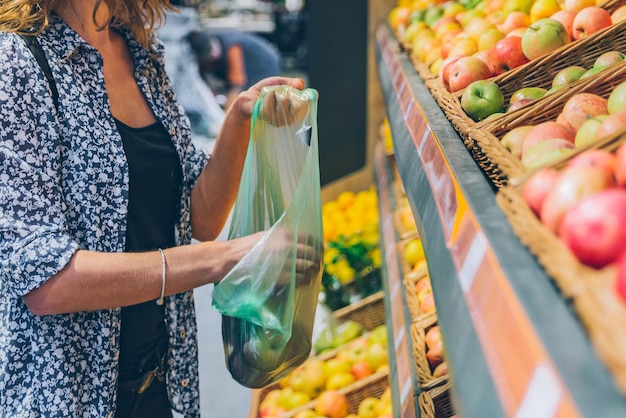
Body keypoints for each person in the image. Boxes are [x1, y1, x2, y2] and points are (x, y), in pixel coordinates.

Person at [0, 1, 318, 417]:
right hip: (67, 397)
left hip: (159, 382)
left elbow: (199, 217)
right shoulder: (16, 62)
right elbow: (47, 282)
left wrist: (241, 119)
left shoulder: (139, 51)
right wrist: (231, 256)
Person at [187, 29, 283, 110]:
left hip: (263, 66)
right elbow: (202, 83)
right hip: (247, 68)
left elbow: (236, 87)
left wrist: (224, 120)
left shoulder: (232, 49)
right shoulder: (204, 54)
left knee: (253, 103)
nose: (213, 56)